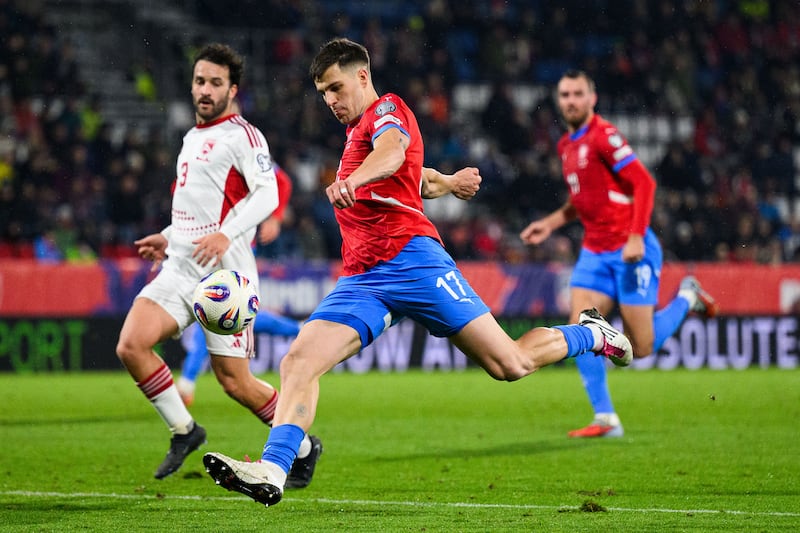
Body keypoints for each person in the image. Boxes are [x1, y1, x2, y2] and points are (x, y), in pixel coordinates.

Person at [201, 38, 633, 508]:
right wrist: (447, 182)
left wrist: (353, 179)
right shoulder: (355, 135)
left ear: (362, 77)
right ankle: (273, 469)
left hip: (414, 261)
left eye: (336, 88)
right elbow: (410, 173)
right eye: (323, 93)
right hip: (364, 277)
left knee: (509, 364)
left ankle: (590, 334)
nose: (330, 101)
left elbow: (391, 153)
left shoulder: (388, 109)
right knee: (299, 361)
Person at [115, 43, 321, 488]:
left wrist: (228, 233)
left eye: (215, 83)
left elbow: (266, 194)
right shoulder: (191, 137)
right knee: (131, 345)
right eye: (199, 81)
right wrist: (168, 236)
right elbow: (197, 207)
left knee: (235, 383)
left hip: (226, 278)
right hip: (180, 266)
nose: (205, 90)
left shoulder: (243, 136)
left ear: (233, 90)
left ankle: (304, 447)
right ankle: (185, 431)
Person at [520, 70, 718, 438]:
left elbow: (644, 182)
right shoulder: (567, 145)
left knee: (640, 348)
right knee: (582, 327)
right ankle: (606, 418)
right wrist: (550, 223)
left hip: (631, 250)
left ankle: (687, 297)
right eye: (565, 94)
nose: (571, 100)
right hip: (594, 253)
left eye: (578, 93)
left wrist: (637, 236)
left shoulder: (604, 136)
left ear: (592, 98)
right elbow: (583, 201)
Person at [176, 161, 303, 408]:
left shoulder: (245, 145)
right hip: (206, 246)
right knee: (228, 314)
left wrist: (275, 218)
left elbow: (283, 181)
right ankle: (301, 331)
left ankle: (187, 382)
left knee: (212, 310)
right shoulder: (199, 150)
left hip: (235, 248)